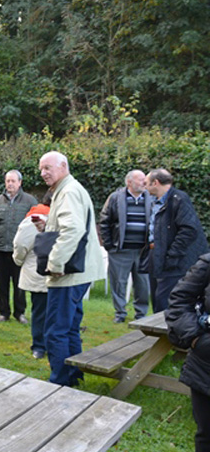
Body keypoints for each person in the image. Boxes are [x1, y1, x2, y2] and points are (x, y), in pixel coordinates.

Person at [35, 151, 104, 387]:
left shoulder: (68, 192)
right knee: (71, 328)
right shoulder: (68, 189)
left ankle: (60, 382)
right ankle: (74, 376)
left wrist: (55, 264)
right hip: (79, 272)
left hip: (68, 274)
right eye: (41, 168)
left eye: (48, 167)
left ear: (63, 166)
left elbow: (72, 230)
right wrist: (48, 224)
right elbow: (71, 225)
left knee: (56, 331)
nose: (43, 173)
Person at [166, 253, 210, 452]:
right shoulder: (208, 264)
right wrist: (196, 338)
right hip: (206, 367)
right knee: (208, 434)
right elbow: (179, 300)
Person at [145, 168, 208, 313]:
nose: (145, 186)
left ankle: (167, 327)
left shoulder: (178, 199)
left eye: (147, 183)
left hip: (175, 260)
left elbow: (189, 230)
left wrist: (172, 255)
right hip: (156, 255)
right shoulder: (155, 202)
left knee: (165, 301)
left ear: (155, 183)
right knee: (156, 298)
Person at [98, 170, 152, 323]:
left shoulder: (151, 198)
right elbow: (105, 221)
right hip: (120, 249)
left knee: (143, 285)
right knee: (118, 283)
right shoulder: (115, 198)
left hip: (143, 251)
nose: (144, 183)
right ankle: (120, 313)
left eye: (145, 179)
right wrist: (109, 245)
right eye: (140, 180)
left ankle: (141, 314)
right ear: (129, 182)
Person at [0, 170, 38, 324]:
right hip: (1, 249)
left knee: (19, 284)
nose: (10, 184)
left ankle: (19, 313)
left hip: (20, 251)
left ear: (20, 182)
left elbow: (36, 225)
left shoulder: (29, 201)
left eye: (13, 181)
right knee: (2, 284)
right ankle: (3, 312)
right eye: (8, 181)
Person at [13, 201, 51, 359]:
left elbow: (21, 245)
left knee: (41, 311)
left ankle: (41, 346)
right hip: (50, 272)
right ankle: (44, 345)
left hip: (40, 271)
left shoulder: (34, 218)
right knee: (49, 311)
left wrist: (18, 261)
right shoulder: (44, 217)